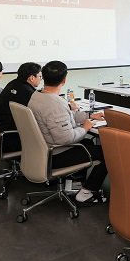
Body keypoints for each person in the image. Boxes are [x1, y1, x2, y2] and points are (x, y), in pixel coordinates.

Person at [27, 60, 107, 205]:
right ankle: (87, 193)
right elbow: (66, 138)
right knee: (108, 153)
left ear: (43, 77)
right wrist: (86, 127)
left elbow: (66, 116)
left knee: (88, 142)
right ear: (64, 80)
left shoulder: (37, 96)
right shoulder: (55, 103)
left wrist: (89, 116)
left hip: (42, 150)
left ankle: (75, 182)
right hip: (56, 153)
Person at [0, 62, 42, 151]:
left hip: (0, 130)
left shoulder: (13, 83)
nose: (41, 79)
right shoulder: (29, 93)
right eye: (40, 77)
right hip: (13, 136)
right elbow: (41, 113)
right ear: (31, 78)